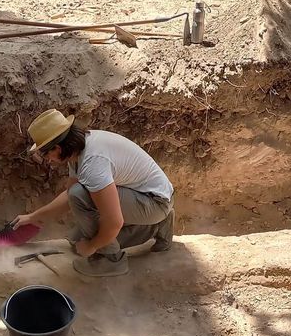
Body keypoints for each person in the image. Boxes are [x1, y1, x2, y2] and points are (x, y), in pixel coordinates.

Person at [14, 109, 175, 277]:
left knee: (81, 199)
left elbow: (113, 221)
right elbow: (68, 196)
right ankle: (158, 225)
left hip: (156, 202)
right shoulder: (78, 150)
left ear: (57, 147)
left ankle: (111, 260)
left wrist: (92, 246)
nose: (46, 158)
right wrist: (34, 217)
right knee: (77, 238)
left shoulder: (92, 163)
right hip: (147, 195)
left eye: (45, 153)